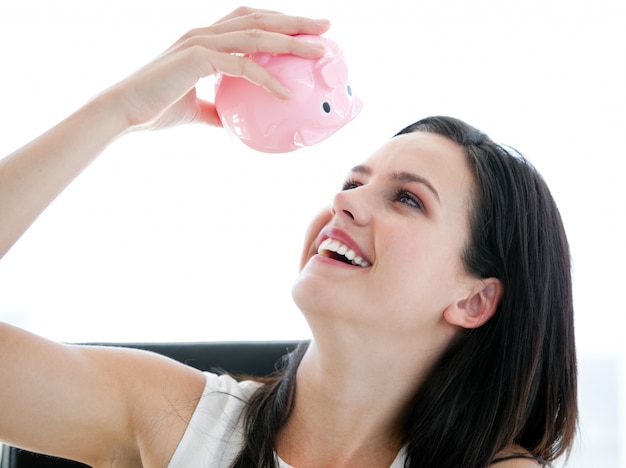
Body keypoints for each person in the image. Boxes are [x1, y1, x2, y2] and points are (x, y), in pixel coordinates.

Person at [0, 6, 577, 468]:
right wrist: (120, 111)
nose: (344, 201)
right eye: (353, 182)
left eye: (407, 198)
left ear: (474, 299)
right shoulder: (174, 419)